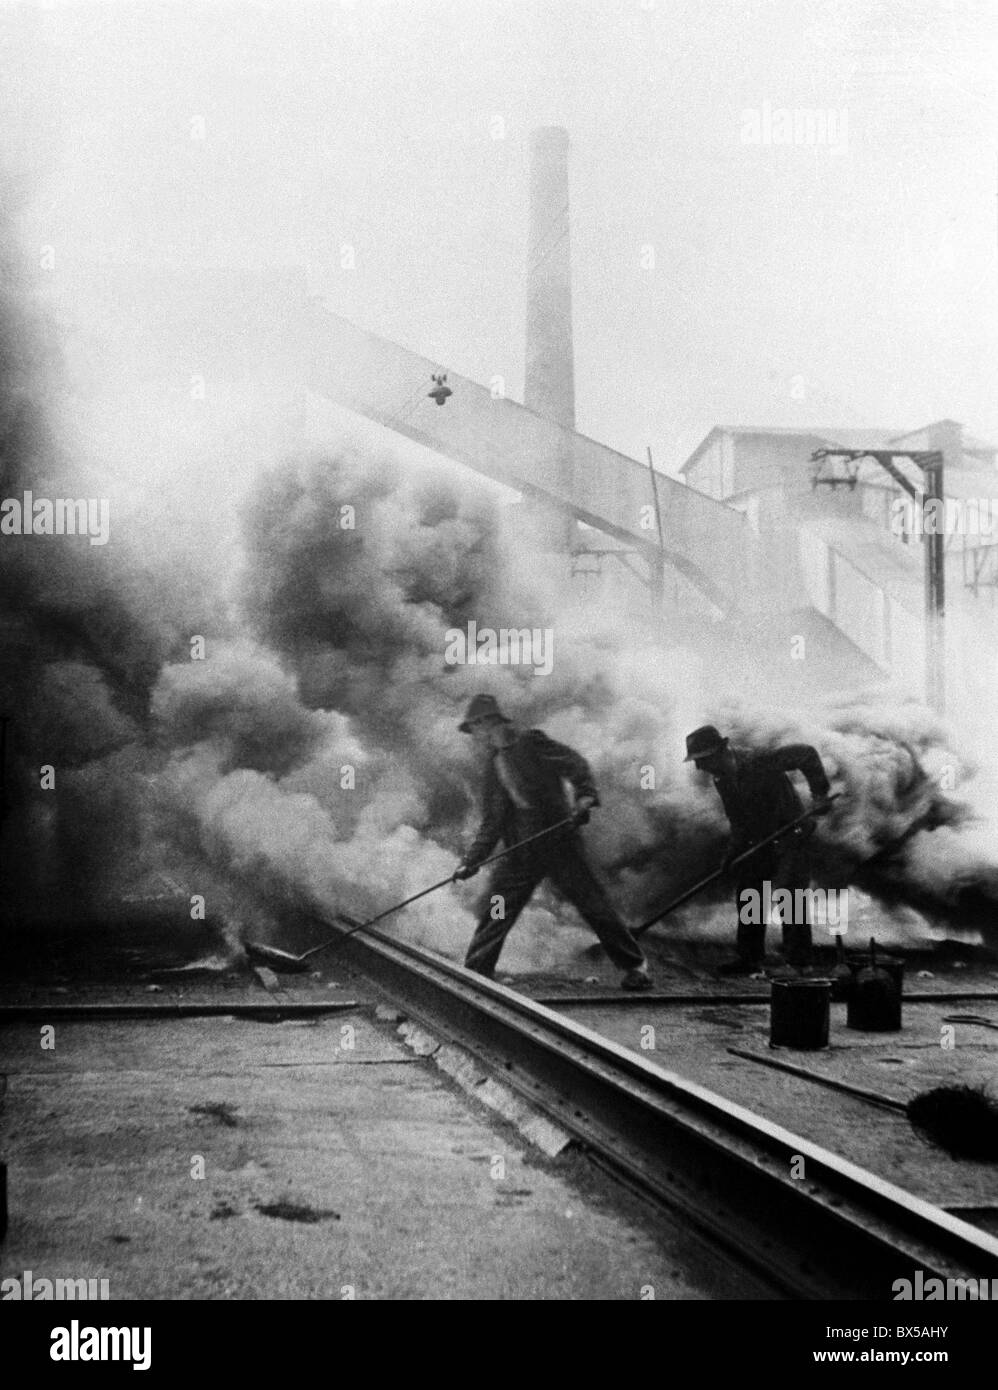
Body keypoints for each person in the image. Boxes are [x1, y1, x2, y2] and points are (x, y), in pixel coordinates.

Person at [453, 694, 652, 990]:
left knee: (593, 905)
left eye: (475, 728)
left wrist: (584, 796)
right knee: (497, 906)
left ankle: (637, 968)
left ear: (487, 722)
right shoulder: (494, 765)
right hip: (523, 849)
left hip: (559, 843)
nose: (476, 736)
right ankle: (475, 974)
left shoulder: (530, 742)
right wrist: (471, 862)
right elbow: (492, 823)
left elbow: (575, 764)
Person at [683, 724, 832, 975]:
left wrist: (819, 794)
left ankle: (799, 964)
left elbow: (806, 753)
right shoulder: (722, 781)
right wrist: (731, 856)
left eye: (703, 760)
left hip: (791, 835)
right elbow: (738, 822)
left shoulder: (759, 760)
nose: (700, 767)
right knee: (750, 891)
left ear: (721, 751)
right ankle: (750, 958)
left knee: (789, 895)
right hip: (759, 841)